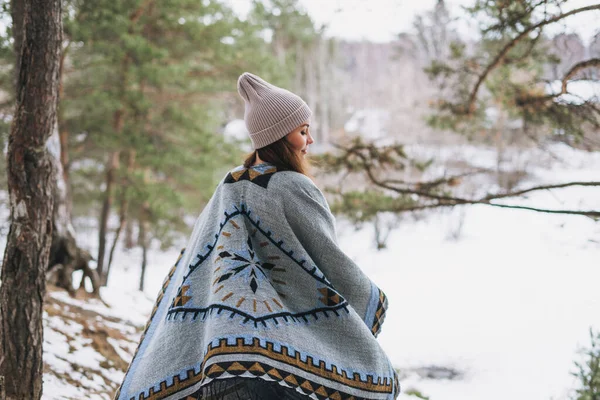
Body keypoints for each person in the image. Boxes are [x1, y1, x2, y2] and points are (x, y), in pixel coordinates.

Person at [115, 73, 399, 400]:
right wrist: (370, 297)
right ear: (279, 137)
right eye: (302, 132)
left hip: (224, 344)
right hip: (280, 353)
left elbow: (200, 256)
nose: (309, 141)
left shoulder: (231, 184)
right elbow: (328, 262)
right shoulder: (295, 188)